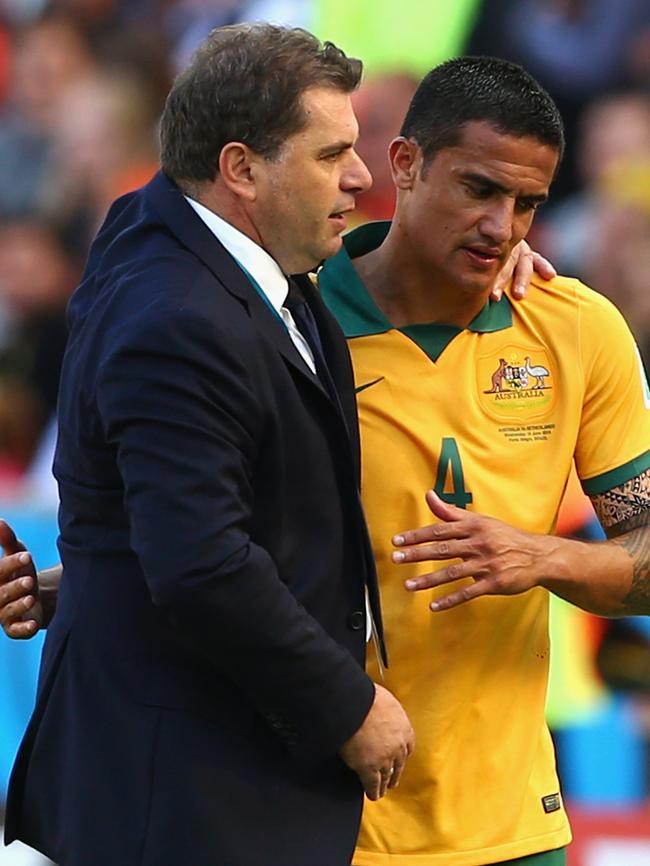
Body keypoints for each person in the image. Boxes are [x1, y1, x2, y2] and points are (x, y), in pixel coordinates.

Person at [0, 41, 572, 866]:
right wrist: (350, 709)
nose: (356, 176)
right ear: (242, 169)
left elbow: (188, 510)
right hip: (190, 805)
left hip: (220, 786)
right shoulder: (180, 316)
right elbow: (201, 565)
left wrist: (483, 247)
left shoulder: (192, 243)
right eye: (333, 153)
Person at [315, 57, 649, 866]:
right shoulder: (296, 320)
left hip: (512, 825)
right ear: (405, 164)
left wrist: (538, 557)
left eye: (527, 204)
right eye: (479, 190)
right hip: (325, 819)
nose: (504, 227)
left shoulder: (575, 329)